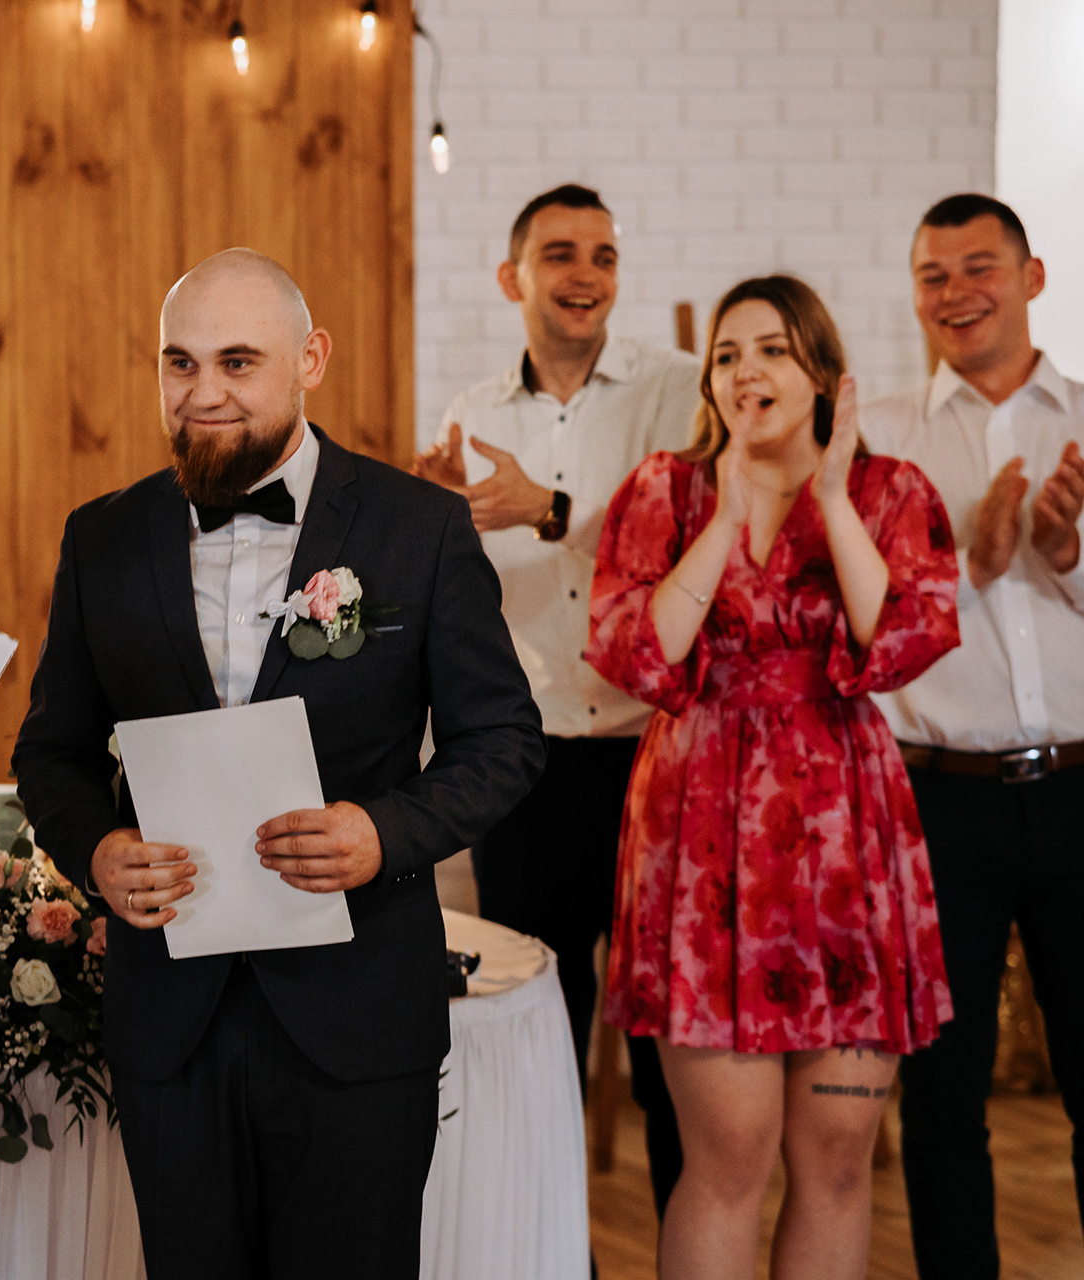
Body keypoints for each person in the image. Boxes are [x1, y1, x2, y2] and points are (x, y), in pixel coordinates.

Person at [12, 249, 544, 1278]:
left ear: (311, 360)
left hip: (360, 1013)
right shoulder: (103, 539)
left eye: (237, 361)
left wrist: (383, 831)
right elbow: (52, 749)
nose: (202, 392)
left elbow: (504, 740)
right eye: (179, 363)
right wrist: (99, 849)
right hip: (171, 1018)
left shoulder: (419, 529)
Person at [586, 275, 958, 1280]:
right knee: (729, 1156)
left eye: (773, 350)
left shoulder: (887, 491)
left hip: (845, 837)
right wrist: (727, 511)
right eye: (727, 354)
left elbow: (902, 638)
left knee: (835, 1159)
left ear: (823, 374)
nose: (745, 370)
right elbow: (641, 652)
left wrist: (829, 497)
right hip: (703, 829)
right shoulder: (666, 489)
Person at [414, 182, 693, 1215]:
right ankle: (553, 1255)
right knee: (539, 1039)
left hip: (658, 756)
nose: (587, 275)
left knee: (671, 1047)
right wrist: (433, 521)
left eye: (604, 256)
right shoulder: (471, 413)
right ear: (513, 277)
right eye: (562, 254)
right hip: (525, 766)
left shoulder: (679, 392)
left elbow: (685, 546)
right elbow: (460, 601)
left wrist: (553, 508)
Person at [860, 193, 1084, 1280]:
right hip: (933, 802)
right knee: (944, 1094)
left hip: (1082, 793)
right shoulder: (876, 439)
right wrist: (974, 564)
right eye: (933, 275)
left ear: (1032, 277)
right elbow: (859, 624)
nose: (956, 293)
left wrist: (1070, 553)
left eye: (979, 268)